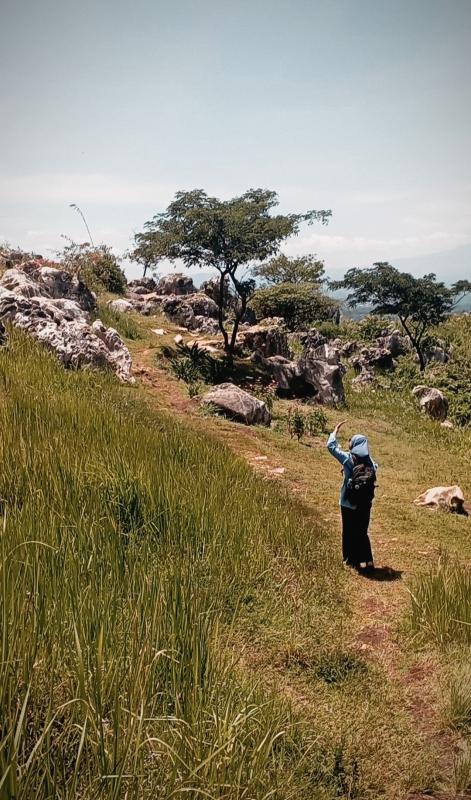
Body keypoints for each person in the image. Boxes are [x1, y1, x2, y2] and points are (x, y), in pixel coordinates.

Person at [326, 420, 377, 572]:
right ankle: (367, 561)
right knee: (362, 531)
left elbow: (331, 446)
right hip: (365, 503)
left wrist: (335, 431)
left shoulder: (348, 458)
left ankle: (350, 561)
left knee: (348, 531)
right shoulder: (371, 463)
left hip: (348, 502)